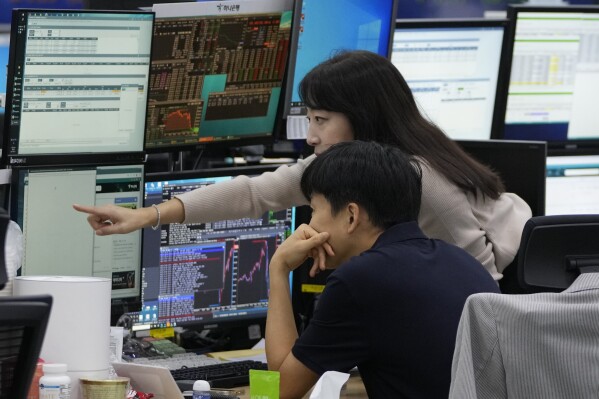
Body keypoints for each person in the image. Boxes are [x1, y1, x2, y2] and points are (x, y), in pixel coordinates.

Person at [73, 50, 531, 281]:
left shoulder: (420, 178)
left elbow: (482, 287)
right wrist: (147, 216)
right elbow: (255, 193)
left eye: (321, 120)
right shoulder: (350, 167)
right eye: (309, 118)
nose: (310, 136)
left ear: (364, 118)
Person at [265, 140, 500, 398]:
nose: (309, 225)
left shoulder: (358, 281)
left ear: (351, 216)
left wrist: (279, 268)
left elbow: (279, 389)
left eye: (314, 210)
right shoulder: (463, 261)